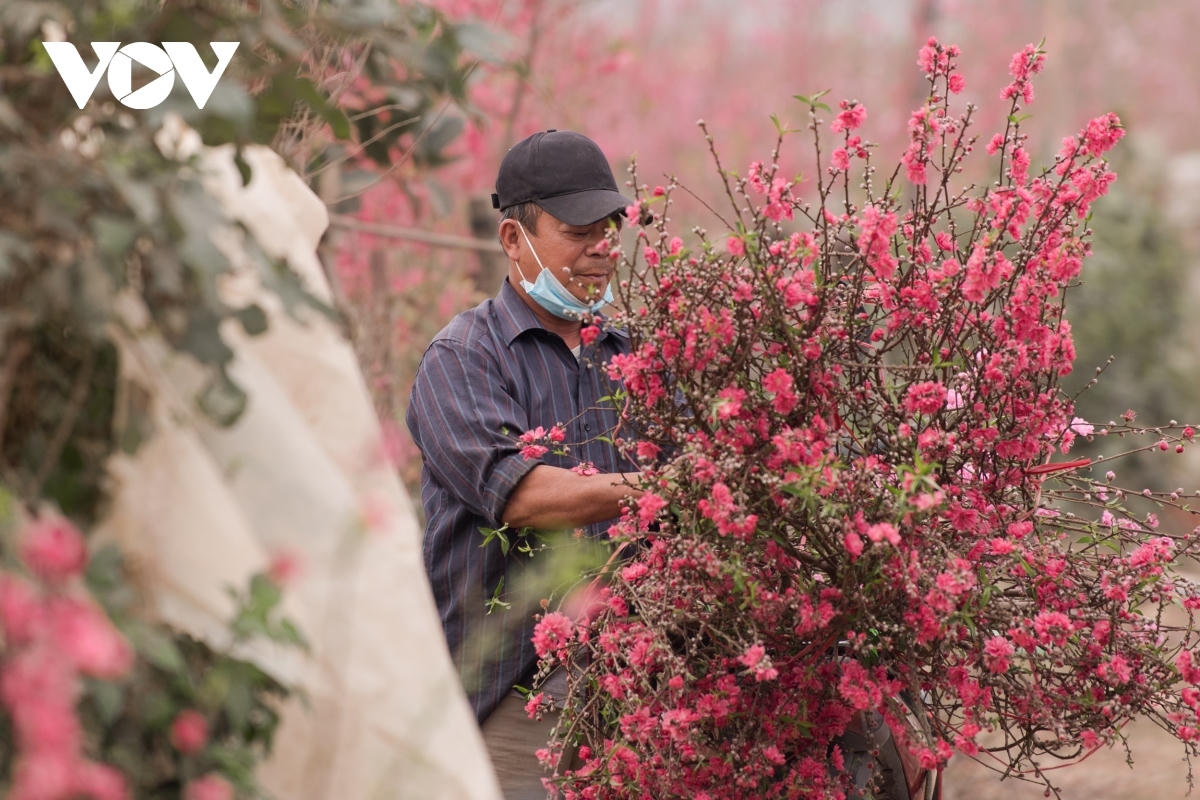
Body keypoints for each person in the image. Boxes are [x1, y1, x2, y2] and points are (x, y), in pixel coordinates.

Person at [405, 129, 642, 798]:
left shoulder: (634, 357)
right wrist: (662, 488)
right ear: (515, 240)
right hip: (510, 691)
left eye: (610, 228)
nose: (602, 248)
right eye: (578, 230)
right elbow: (520, 494)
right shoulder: (464, 359)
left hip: (633, 682)